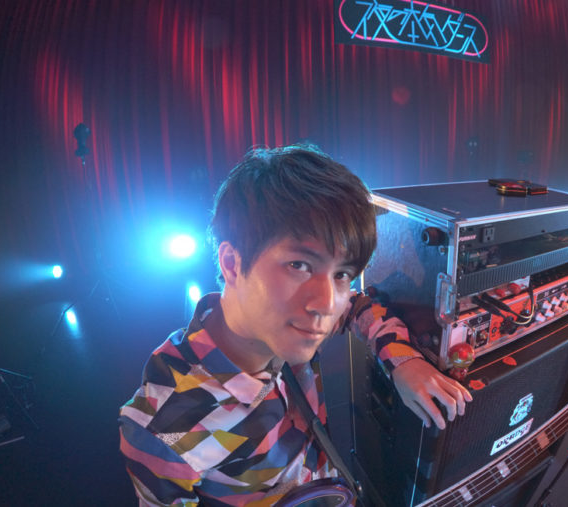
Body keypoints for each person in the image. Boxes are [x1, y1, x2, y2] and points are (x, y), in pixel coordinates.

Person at [118, 145, 472, 506]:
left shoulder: (284, 324)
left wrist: (404, 361)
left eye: (342, 274)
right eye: (299, 265)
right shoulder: (165, 424)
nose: (326, 304)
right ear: (232, 263)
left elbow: (357, 307)